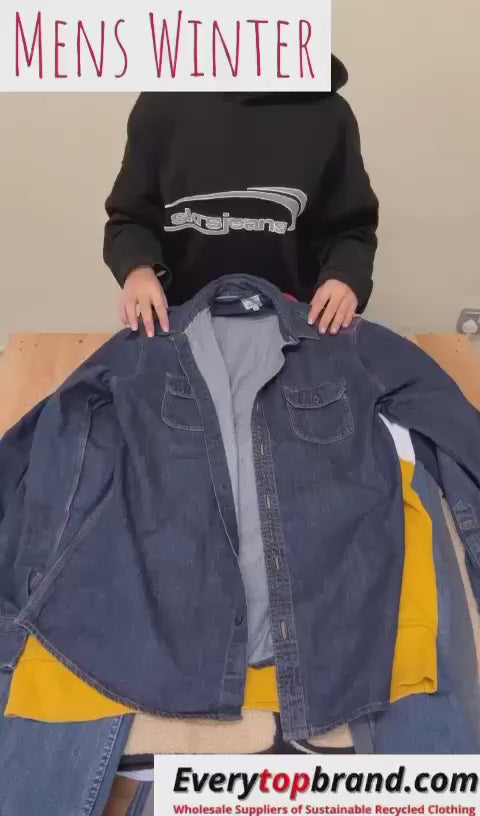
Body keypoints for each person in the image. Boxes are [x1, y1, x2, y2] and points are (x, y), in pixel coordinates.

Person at [103, 55, 378, 337]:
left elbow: (351, 228)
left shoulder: (330, 115)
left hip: (298, 333)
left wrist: (344, 277)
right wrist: (138, 270)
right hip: (180, 331)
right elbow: (130, 219)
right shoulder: (160, 105)